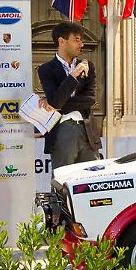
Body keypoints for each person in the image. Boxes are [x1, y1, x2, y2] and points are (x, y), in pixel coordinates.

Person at [37, 21, 101, 171]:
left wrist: (56, 103)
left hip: (87, 128)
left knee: (92, 177)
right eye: (76, 40)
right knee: (64, 177)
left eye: (81, 40)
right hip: (62, 128)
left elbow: (90, 99)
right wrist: (73, 75)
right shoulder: (46, 69)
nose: (81, 44)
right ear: (62, 41)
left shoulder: (88, 66)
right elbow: (56, 102)